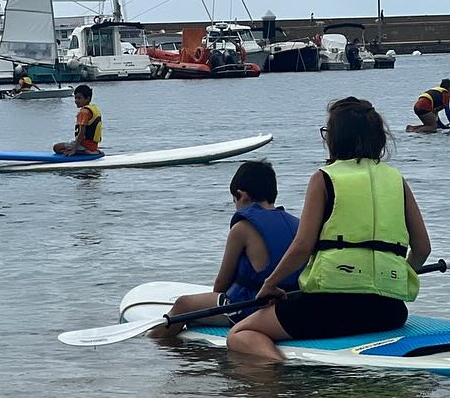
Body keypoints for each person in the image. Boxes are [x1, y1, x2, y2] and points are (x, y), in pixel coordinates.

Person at [225, 97, 431, 360]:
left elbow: (302, 247)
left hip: (330, 308)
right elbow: (423, 248)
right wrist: (393, 279)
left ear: (335, 138)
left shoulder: (324, 178)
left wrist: (269, 284)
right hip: (390, 312)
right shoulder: (396, 180)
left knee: (241, 334)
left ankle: (279, 387)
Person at [152, 161, 301, 338]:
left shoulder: (242, 228)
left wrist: (210, 299)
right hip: (290, 304)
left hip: (249, 306)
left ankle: (153, 343)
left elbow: (221, 283)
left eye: (234, 200)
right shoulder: (298, 224)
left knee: (183, 304)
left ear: (242, 196)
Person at [53, 84, 101, 156]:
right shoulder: (94, 109)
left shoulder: (83, 112)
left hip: (84, 145)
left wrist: (74, 149)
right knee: (64, 147)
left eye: (79, 98)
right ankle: (91, 151)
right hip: (93, 145)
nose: (76, 101)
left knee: (57, 148)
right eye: (75, 98)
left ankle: (85, 152)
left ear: (88, 98)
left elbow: (82, 132)